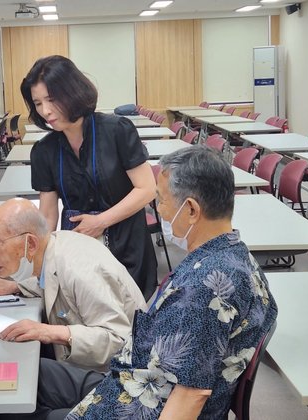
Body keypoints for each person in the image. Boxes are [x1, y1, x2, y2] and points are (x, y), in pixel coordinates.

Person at [52, 146, 277, 419]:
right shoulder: (235, 255)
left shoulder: (204, 291)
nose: (157, 209)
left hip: (143, 405)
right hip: (138, 380)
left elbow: (191, 395)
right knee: (40, 376)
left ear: (191, 210)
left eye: (161, 200)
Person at [20, 55, 157, 298]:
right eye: (38, 103)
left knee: (132, 320)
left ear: (72, 92)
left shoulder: (117, 131)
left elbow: (146, 189)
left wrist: (101, 221)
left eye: (51, 100)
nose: (45, 111)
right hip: (80, 251)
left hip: (128, 247)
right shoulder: (43, 151)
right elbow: (49, 213)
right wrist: (39, 261)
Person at [0, 198, 147, 373]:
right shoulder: (54, 246)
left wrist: (50, 332)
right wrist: (16, 287)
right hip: (92, 365)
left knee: (27, 375)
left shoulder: (80, 270)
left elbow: (118, 340)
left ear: (30, 244)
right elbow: (54, 281)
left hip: (120, 374)